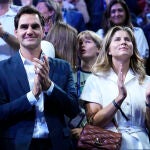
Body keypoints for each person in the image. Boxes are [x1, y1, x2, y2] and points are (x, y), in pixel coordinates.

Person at [0, 5, 79, 150]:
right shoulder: (2, 69)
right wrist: (32, 96)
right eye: (24, 27)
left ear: (43, 31)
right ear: (16, 32)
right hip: (17, 145)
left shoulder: (63, 67)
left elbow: (73, 109)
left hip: (57, 144)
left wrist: (50, 87)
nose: (29, 31)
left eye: (35, 26)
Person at [80, 26, 150, 149]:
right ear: (108, 50)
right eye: (117, 39)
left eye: (127, 40)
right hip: (108, 144)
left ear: (133, 49)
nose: (123, 42)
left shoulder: (147, 81)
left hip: (141, 145)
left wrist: (149, 103)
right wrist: (119, 98)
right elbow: (93, 122)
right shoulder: (95, 80)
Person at [70, 30, 102, 148]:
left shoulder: (105, 75)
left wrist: (86, 131)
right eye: (80, 42)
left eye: (87, 42)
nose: (82, 45)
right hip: (73, 133)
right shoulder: (71, 74)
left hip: (99, 135)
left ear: (98, 48)